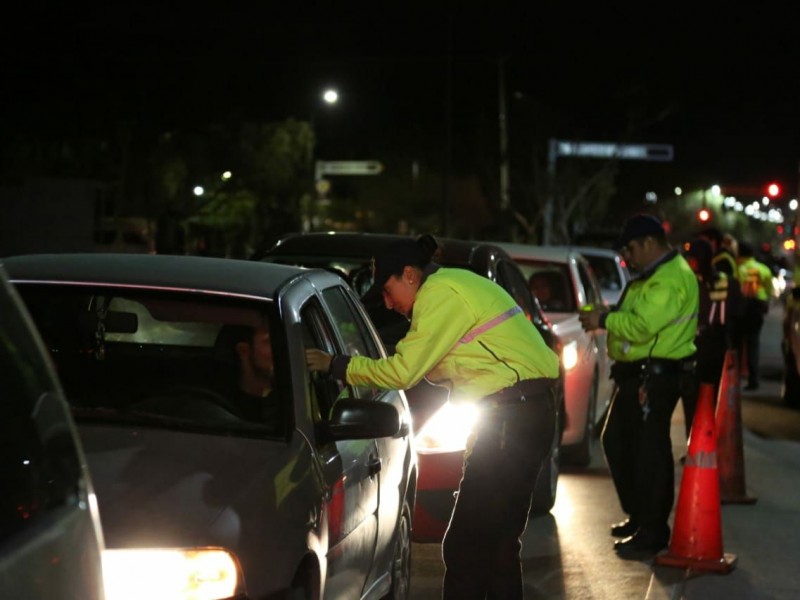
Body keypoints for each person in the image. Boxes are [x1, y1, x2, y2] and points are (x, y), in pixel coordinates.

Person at [305, 234, 560, 599]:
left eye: (388, 290)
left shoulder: (440, 295)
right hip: (523, 414)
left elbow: (404, 372)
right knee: (498, 544)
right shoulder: (454, 286)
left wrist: (337, 365)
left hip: (511, 418)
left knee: (465, 545)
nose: (389, 304)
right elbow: (436, 367)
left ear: (409, 275)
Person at [579, 214, 698, 560]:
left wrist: (602, 319)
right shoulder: (652, 276)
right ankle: (641, 516)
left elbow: (644, 325)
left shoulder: (669, 278)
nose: (629, 256)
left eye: (631, 248)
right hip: (638, 374)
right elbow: (633, 315)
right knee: (617, 441)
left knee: (650, 453)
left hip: (656, 376)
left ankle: (653, 530)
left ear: (649, 243)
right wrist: (608, 315)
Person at [681, 238, 741, 438]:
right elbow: (738, 313)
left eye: (692, 259)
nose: (690, 263)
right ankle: (704, 440)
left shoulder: (689, 282)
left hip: (699, 345)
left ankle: (699, 441)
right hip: (716, 344)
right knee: (708, 395)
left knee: (695, 397)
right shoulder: (727, 282)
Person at [216, 323, 282, 424]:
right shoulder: (219, 405)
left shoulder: (287, 403)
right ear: (243, 350)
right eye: (269, 342)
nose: (281, 350)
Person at [736, 241, 775, 390]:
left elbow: (737, 288)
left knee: (738, 343)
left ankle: (735, 378)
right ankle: (754, 380)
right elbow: (768, 289)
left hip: (743, 306)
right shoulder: (763, 269)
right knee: (753, 343)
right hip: (758, 307)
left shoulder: (740, 268)